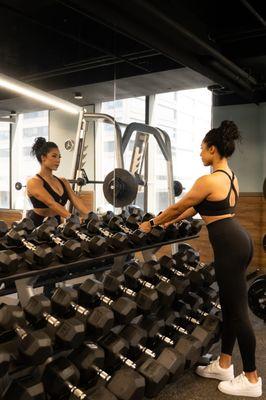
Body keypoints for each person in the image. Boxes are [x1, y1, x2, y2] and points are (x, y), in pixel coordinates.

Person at [139, 120, 262, 397]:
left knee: (239, 311)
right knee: (230, 307)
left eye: (202, 149)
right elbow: (194, 210)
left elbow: (179, 205)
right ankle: (224, 364)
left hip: (230, 247)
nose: (200, 154)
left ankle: (253, 379)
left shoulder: (207, 180)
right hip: (239, 240)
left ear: (213, 149)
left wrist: (152, 223)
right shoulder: (231, 178)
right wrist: (168, 223)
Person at [27, 137, 90, 227]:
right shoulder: (34, 182)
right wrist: (70, 217)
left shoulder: (63, 181)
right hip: (36, 226)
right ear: (43, 158)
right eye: (54, 156)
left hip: (55, 224)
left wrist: (90, 215)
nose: (58, 160)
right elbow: (51, 203)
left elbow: (76, 200)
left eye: (59, 157)